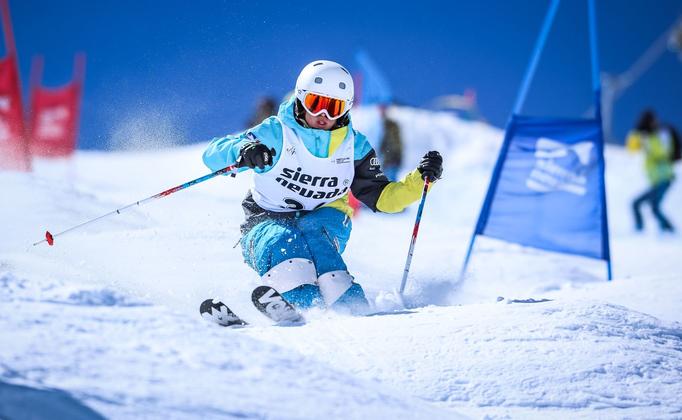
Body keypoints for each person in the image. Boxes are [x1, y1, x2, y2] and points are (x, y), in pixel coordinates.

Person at [202, 60, 443, 314]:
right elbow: (212, 153)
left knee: (318, 244)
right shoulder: (277, 132)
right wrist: (244, 151)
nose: (323, 115)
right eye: (316, 104)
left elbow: (384, 198)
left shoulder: (354, 147)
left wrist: (420, 180)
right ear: (301, 98)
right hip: (264, 220)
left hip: (325, 222)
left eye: (334, 107)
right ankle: (302, 307)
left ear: (346, 108)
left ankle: (352, 309)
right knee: (284, 241)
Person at [626, 109, 676, 232]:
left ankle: (667, 231)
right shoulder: (644, 137)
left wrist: (648, 141)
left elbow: (665, 152)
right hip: (657, 180)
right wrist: (637, 134)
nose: (655, 123)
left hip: (665, 178)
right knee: (646, 206)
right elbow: (631, 148)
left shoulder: (660, 135)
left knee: (648, 206)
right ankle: (666, 230)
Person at [378, 104, 403, 181]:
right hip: (389, 160)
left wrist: (395, 157)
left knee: (391, 182)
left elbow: (394, 144)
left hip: (392, 160)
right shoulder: (385, 126)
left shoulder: (391, 126)